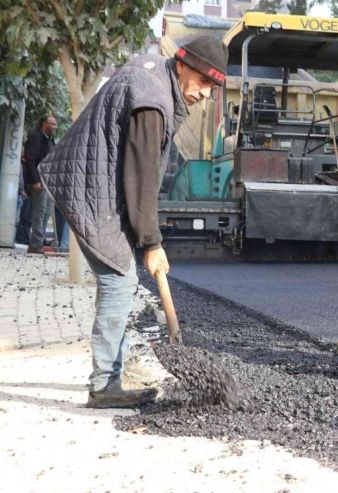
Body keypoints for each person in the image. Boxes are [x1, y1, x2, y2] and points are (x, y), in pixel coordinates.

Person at [39, 36, 228, 408]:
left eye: (214, 87)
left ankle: (113, 370)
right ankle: (105, 385)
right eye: (205, 82)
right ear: (183, 65)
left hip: (93, 185)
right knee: (119, 282)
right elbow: (141, 179)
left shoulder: (153, 74)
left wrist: (146, 239)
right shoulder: (152, 102)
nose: (207, 94)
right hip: (92, 192)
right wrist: (152, 243)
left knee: (118, 277)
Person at [25, 114, 57, 254]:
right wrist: (35, 180)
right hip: (40, 181)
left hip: (48, 181)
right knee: (40, 211)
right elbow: (31, 160)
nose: (54, 127)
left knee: (47, 211)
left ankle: (38, 241)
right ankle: (36, 244)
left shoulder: (49, 139)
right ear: (44, 124)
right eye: (52, 124)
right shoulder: (36, 137)